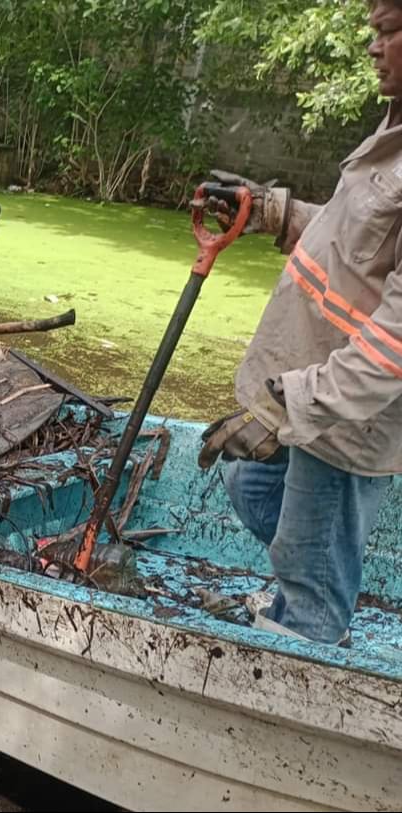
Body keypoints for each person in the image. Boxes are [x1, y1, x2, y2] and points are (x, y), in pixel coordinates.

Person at [198, 0, 402, 645]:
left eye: (387, 32)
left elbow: (395, 342)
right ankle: (307, 583)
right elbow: (351, 242)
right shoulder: (392, 137)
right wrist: (271, 212)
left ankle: (309, 639)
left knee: (312, 575)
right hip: (304, 382)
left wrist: (293, 408)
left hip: (347, 416)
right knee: (247, 480)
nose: (373, 47)